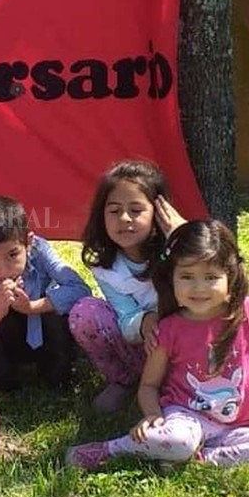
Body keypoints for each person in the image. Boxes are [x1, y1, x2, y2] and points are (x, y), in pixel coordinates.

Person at [66, 220, 249, 471]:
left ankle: (202, 459)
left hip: (243, 425)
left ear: (230, 277)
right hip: (187, 419)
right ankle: (109, 450)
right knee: (177, 441)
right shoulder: (169, 329)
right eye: (187, 276)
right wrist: (153, 416)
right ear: (172, 278)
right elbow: (148, 385)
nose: (199, 288)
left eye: (211, 277)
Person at [69, 160, 185, 413]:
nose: (124, 219)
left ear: (158, 213)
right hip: (143, 345)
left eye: (136, 210)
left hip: (186, 345)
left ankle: (178, 385)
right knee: (84, 313)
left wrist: (182, 236)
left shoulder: (179, 250)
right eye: (114, 210)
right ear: (101, 216)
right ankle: (126, 380)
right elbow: (124, 315)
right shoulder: (105, 265)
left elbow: (218, 279)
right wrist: (144, 323)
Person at [0, 196, 91, 391]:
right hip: (6, 337)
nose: (3, 269)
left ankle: (58, 375)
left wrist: (32, 307)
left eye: (12, 255)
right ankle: (4, 382)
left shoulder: (39, 251)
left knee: (54, 309)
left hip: (44, 330)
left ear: (29, 242)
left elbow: (79, 288)